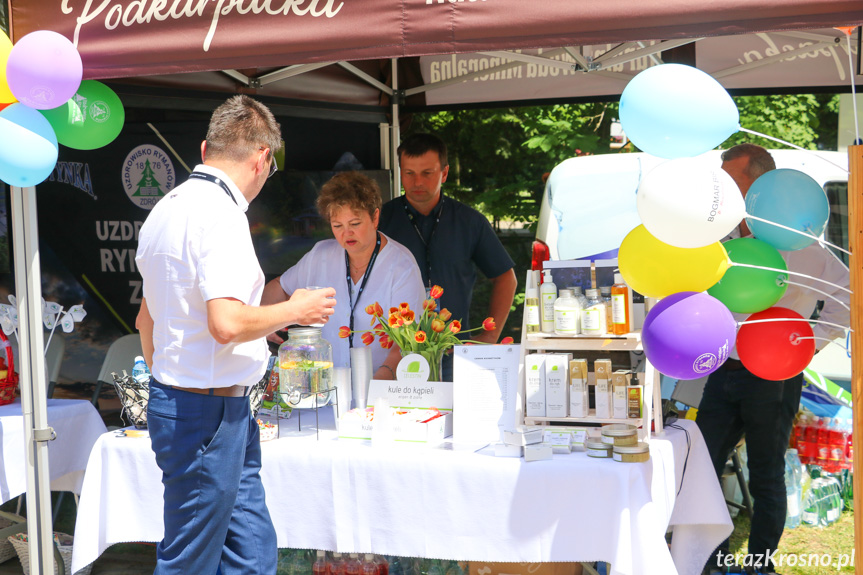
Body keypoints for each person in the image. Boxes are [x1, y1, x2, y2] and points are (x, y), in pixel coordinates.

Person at [135, 95, 337, 575]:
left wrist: (170, 384)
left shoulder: (165, 208)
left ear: (206, 148)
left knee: (251, 551)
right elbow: (225, 323)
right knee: (192, 561)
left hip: (202, 404)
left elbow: (147, 320)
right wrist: (294, 308)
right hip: (205, 409)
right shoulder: (221, 214)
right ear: (263, 159)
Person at [696, 143, 850, 575]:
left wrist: (809, 342)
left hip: (775, 374)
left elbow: (846, 296)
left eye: (733, 179)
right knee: (702, 468)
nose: (723, 187)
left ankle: (760, 565)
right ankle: (716, 559)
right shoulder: (723, 241)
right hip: (724, 367)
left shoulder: (798, 244)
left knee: (765, 474)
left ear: (761, 183)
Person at [262, 171, 425, 379]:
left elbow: (405, 346)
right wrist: (266, 319)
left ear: (375, 217)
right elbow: (280, 287)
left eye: (355, 224)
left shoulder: (402, 266)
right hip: (327, 389)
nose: (346, 233)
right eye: (337, 225)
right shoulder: (321, 255)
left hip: (382, 392)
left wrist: (371, 395)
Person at [379, 133, 517, 378]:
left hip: (455, 356)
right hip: (394, 355)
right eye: (409, 173)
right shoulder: (380, 221)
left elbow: (505, 277)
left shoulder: (469, 221)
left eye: (427, 173)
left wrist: (490, 335)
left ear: (444, 173)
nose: (417, 181)